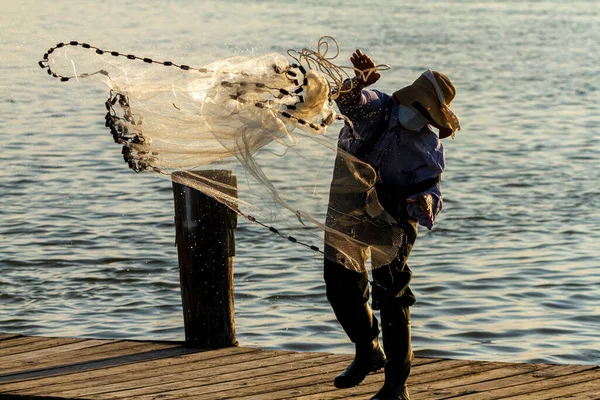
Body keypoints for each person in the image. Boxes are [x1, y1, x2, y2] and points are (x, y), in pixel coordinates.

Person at [324, 49, 460, 400]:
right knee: (340, 284)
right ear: (408, 100)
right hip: (347, 205)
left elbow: (433, 190)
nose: (419, 117)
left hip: (396, 218)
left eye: (426, 115)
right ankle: (367, 348)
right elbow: (345, 102)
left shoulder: (427, 143)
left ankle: (396, 385)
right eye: (417, 109)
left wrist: (423, 202)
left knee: (392, 293)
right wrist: (358, 82)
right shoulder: (376, 106)